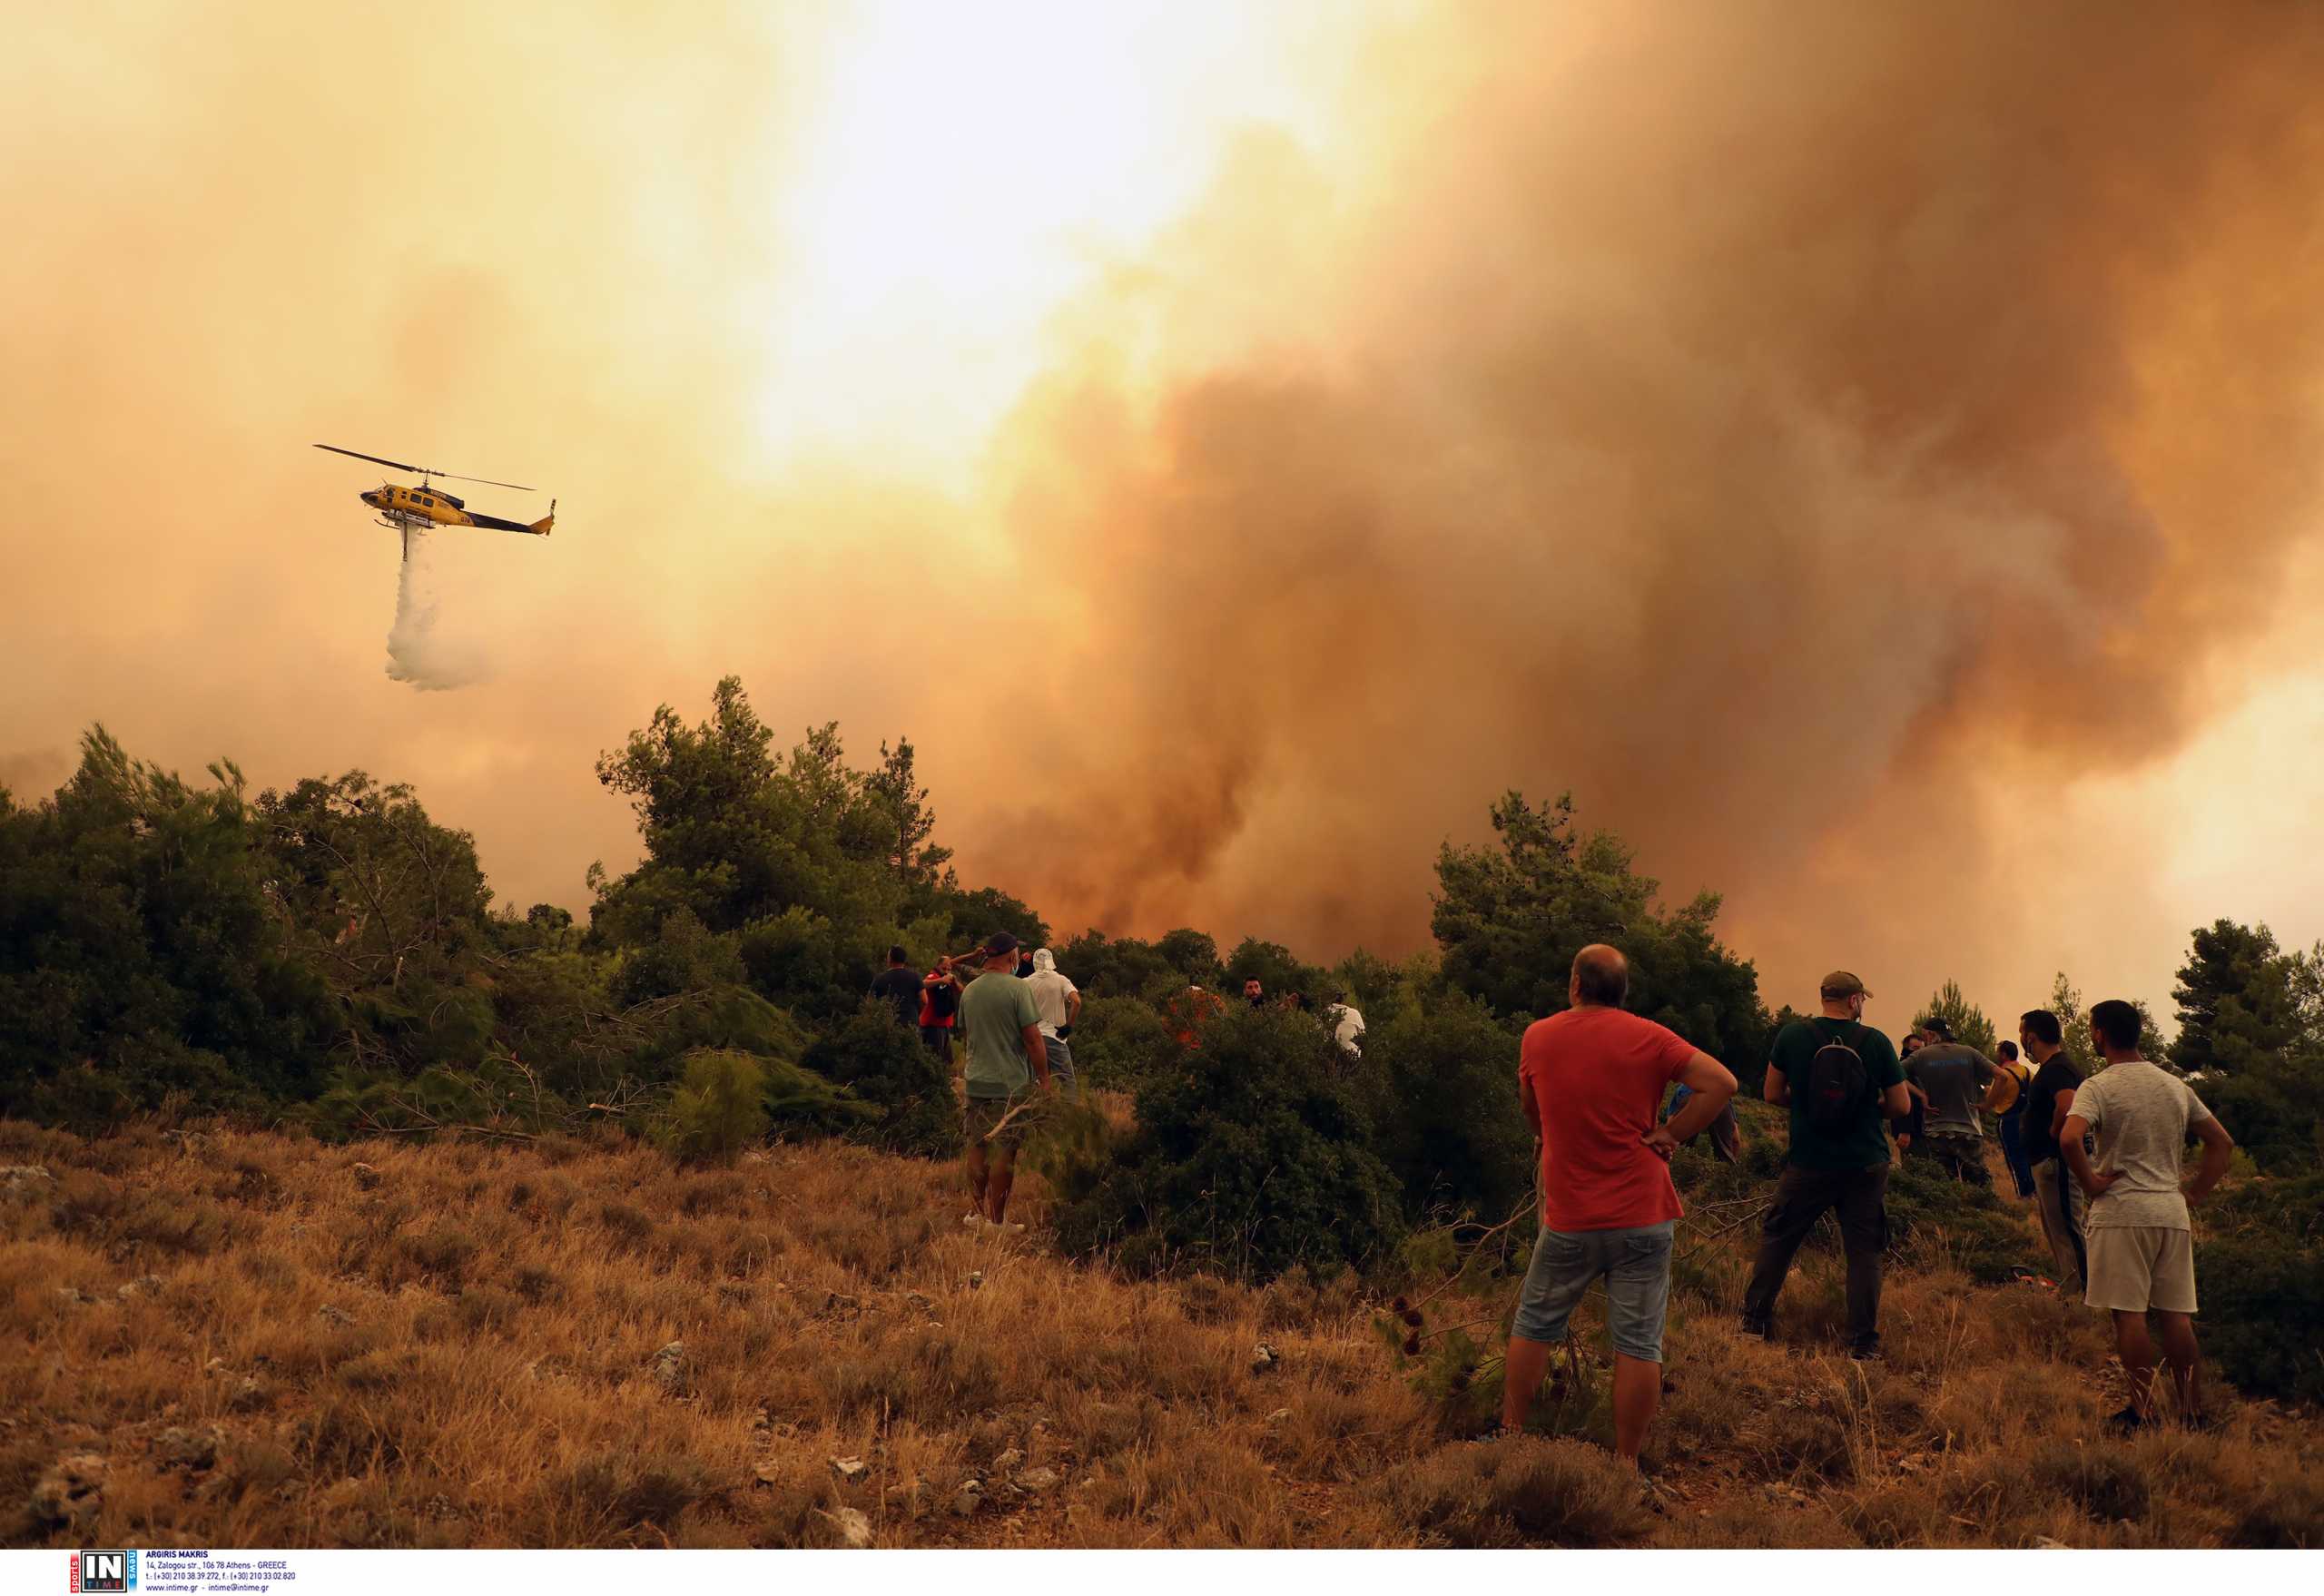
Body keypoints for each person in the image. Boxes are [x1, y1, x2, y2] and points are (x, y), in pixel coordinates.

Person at [1500, 945, 1737, 1471]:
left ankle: (1511, 1436)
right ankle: (1625, 1465)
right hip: (1643, 1215)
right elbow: (1722, 1083)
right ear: (1622, 991)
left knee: (1536, 1323)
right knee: (1638, 1343)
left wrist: (1546, 1136)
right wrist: (1672, 1132)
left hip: (1571, 1218)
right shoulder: (1651, 1037)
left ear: (1576, 984)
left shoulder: (1538, 1035)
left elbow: (1529, 1107)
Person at [2062, 1000, 2234, 1430]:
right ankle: (2192, 1413)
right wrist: (2193, 1194)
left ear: (2100, 1033)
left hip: (2122, 1212)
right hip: (2170, 1212)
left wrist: (2091, 1183)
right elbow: (2221, 1143)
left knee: (2129, 1315)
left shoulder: (2098, 1086)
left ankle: (2144, 1411)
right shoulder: (2174, 1086)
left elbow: (2069, 1139)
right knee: (2176, 1316)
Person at [1741, 970, 1911, 1358]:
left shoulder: (1792, 1036)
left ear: (1823, 998)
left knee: (1779, 1240)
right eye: (1862, 1000)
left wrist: (1807, 1106)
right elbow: (1901, 1105)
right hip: (1865, 1162)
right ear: (1854, 1001)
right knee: (1864, 1252)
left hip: (1808, 1160)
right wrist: (1866, 1108)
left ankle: (1754, 1323)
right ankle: (1862, 1344)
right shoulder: (1877, 1042)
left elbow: (1770, 1094)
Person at [957, 932, 1054, 1231]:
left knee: (977, 1146)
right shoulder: (1017, 988)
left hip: (975, 1082)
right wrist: (1045, 1080)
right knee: (1004, 1151)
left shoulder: (970, 991)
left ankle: (975, 1215)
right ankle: (997, 1222)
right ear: (1012, 958)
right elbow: (1033, 1040)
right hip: (1008, 1086)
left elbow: (965, 1033)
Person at [2019, 1008, 2089, 1292]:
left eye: (2022, 1033)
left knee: (2068, 1230)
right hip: (2048, 1161)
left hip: (2056, 1162)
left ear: (2032, 1036)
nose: (2022, 1040)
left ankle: (2084, 1293)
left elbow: (2068, 1104)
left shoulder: (2057, 1068)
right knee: (2057, 1229)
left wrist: (2052, 1131)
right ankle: (2072, 1288)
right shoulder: (2053, 1068)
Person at [1904, 1019, 1996, 1186]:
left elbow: (1894, 1074)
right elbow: (2003, 1076)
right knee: (1979, 1184)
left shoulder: (1920, 1056)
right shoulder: (1970, 1053)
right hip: (1969, 1130)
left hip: (1936, 1131)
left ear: (1932, 1034)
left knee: (1943, 1185)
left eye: (1925, 1036)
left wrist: (1921, 1095)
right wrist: (1987, 1106)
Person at [1023, 947, 1082, 1100]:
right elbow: (1077, 1002)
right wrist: (1068, 1027)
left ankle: (1036, 1116)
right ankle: (1072, 1117)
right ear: (1051, 961)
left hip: (1032, 1039)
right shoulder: (1061, 980)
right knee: (1067, 1081)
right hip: (1055, 1038)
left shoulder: (1026, 983)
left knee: (1036, 1082)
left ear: (1035, 962)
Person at [1986, 1039, 2036, 1198]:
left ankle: (2023, 1193)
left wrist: (1988, 1092)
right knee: (2028, 1156)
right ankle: (2034, 1190)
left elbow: (1993, 1099)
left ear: (2004, 1054)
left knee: (2014, 1158)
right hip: (2027, 1119)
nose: (1997, 1055)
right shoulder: (2028, 1072)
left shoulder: (2002, 1074)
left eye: (1998, 1052)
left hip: (2008, 1120)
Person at [919, 956, 964, 1066]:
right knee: (934, 1060)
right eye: (944, 969)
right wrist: (940, 980)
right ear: (938, 966)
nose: (946, 972)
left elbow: (961, 990)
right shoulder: (933, 976)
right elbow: (922, 984)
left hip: (944, 1025)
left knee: (945, 1061)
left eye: (949, 969)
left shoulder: (949, 979)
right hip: (932, 1025)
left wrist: (954, 981)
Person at [868, 945, 922, 1031]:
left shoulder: (880, 978)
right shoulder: (914, 977)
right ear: (904, 960)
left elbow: (869, 1002)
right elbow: (925, 999)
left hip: (888, 1024)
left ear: (890, 959)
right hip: (911, 1023)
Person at [1891, 1031, 1927, 1158]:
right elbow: (1901, 1100)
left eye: (1922, 1049)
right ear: (1906, 1048)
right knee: (1914, 1168)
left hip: (1919, 1131)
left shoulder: (1917, 1071)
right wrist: (1905, 1131)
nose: (1919, 1053)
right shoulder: (1900, 1071)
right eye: (1915, 1048)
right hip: (1909, 1133)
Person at [1326, 990, 1366, 1061]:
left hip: (1328, 1058)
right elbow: (1364, 1036)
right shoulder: (1354, 1013)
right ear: (1343, 1000)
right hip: (1351, 1057)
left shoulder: (1324, 1014)